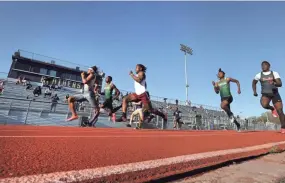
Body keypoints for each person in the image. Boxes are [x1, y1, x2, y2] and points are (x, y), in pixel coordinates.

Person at [252, 61, 285, 134]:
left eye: (264, 65)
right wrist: (254, 91)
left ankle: (283, 127)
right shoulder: (259, 75)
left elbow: (280, 84)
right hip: (265, 94)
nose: (263, 66)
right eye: (262, 65)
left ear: (269, 66)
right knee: (264, 105)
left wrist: (274, 82)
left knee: (280, 111)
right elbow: (254, 82)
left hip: (275, 94)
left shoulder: (274, 73)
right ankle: (272, 109)